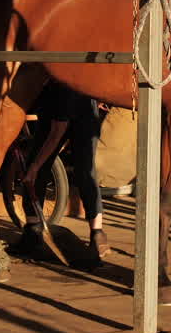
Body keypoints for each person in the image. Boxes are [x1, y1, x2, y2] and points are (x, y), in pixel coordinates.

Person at [14, 81, 109, 258]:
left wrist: (34, 167)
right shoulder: (60, 78)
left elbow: (57, 132)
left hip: (71, 115)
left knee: (41, 170)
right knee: (85, 171)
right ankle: (97, 233)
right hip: (85, 106)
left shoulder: (61, 87)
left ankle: (35, 234)